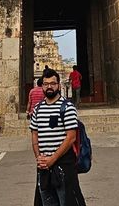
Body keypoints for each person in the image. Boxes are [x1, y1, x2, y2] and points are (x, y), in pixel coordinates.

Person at [30, 68, 86, 206]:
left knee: (68, 200)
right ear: (42, 86)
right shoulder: (37, 109)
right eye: (46, 83)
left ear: (59, 86)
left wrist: (53, 159)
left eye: (53, 83)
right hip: (43, 166)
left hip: (64, 163)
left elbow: (71, 137)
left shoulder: (67, 107)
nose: (49, 86)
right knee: (46, 201)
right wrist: (39, 158)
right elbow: (34, 135)